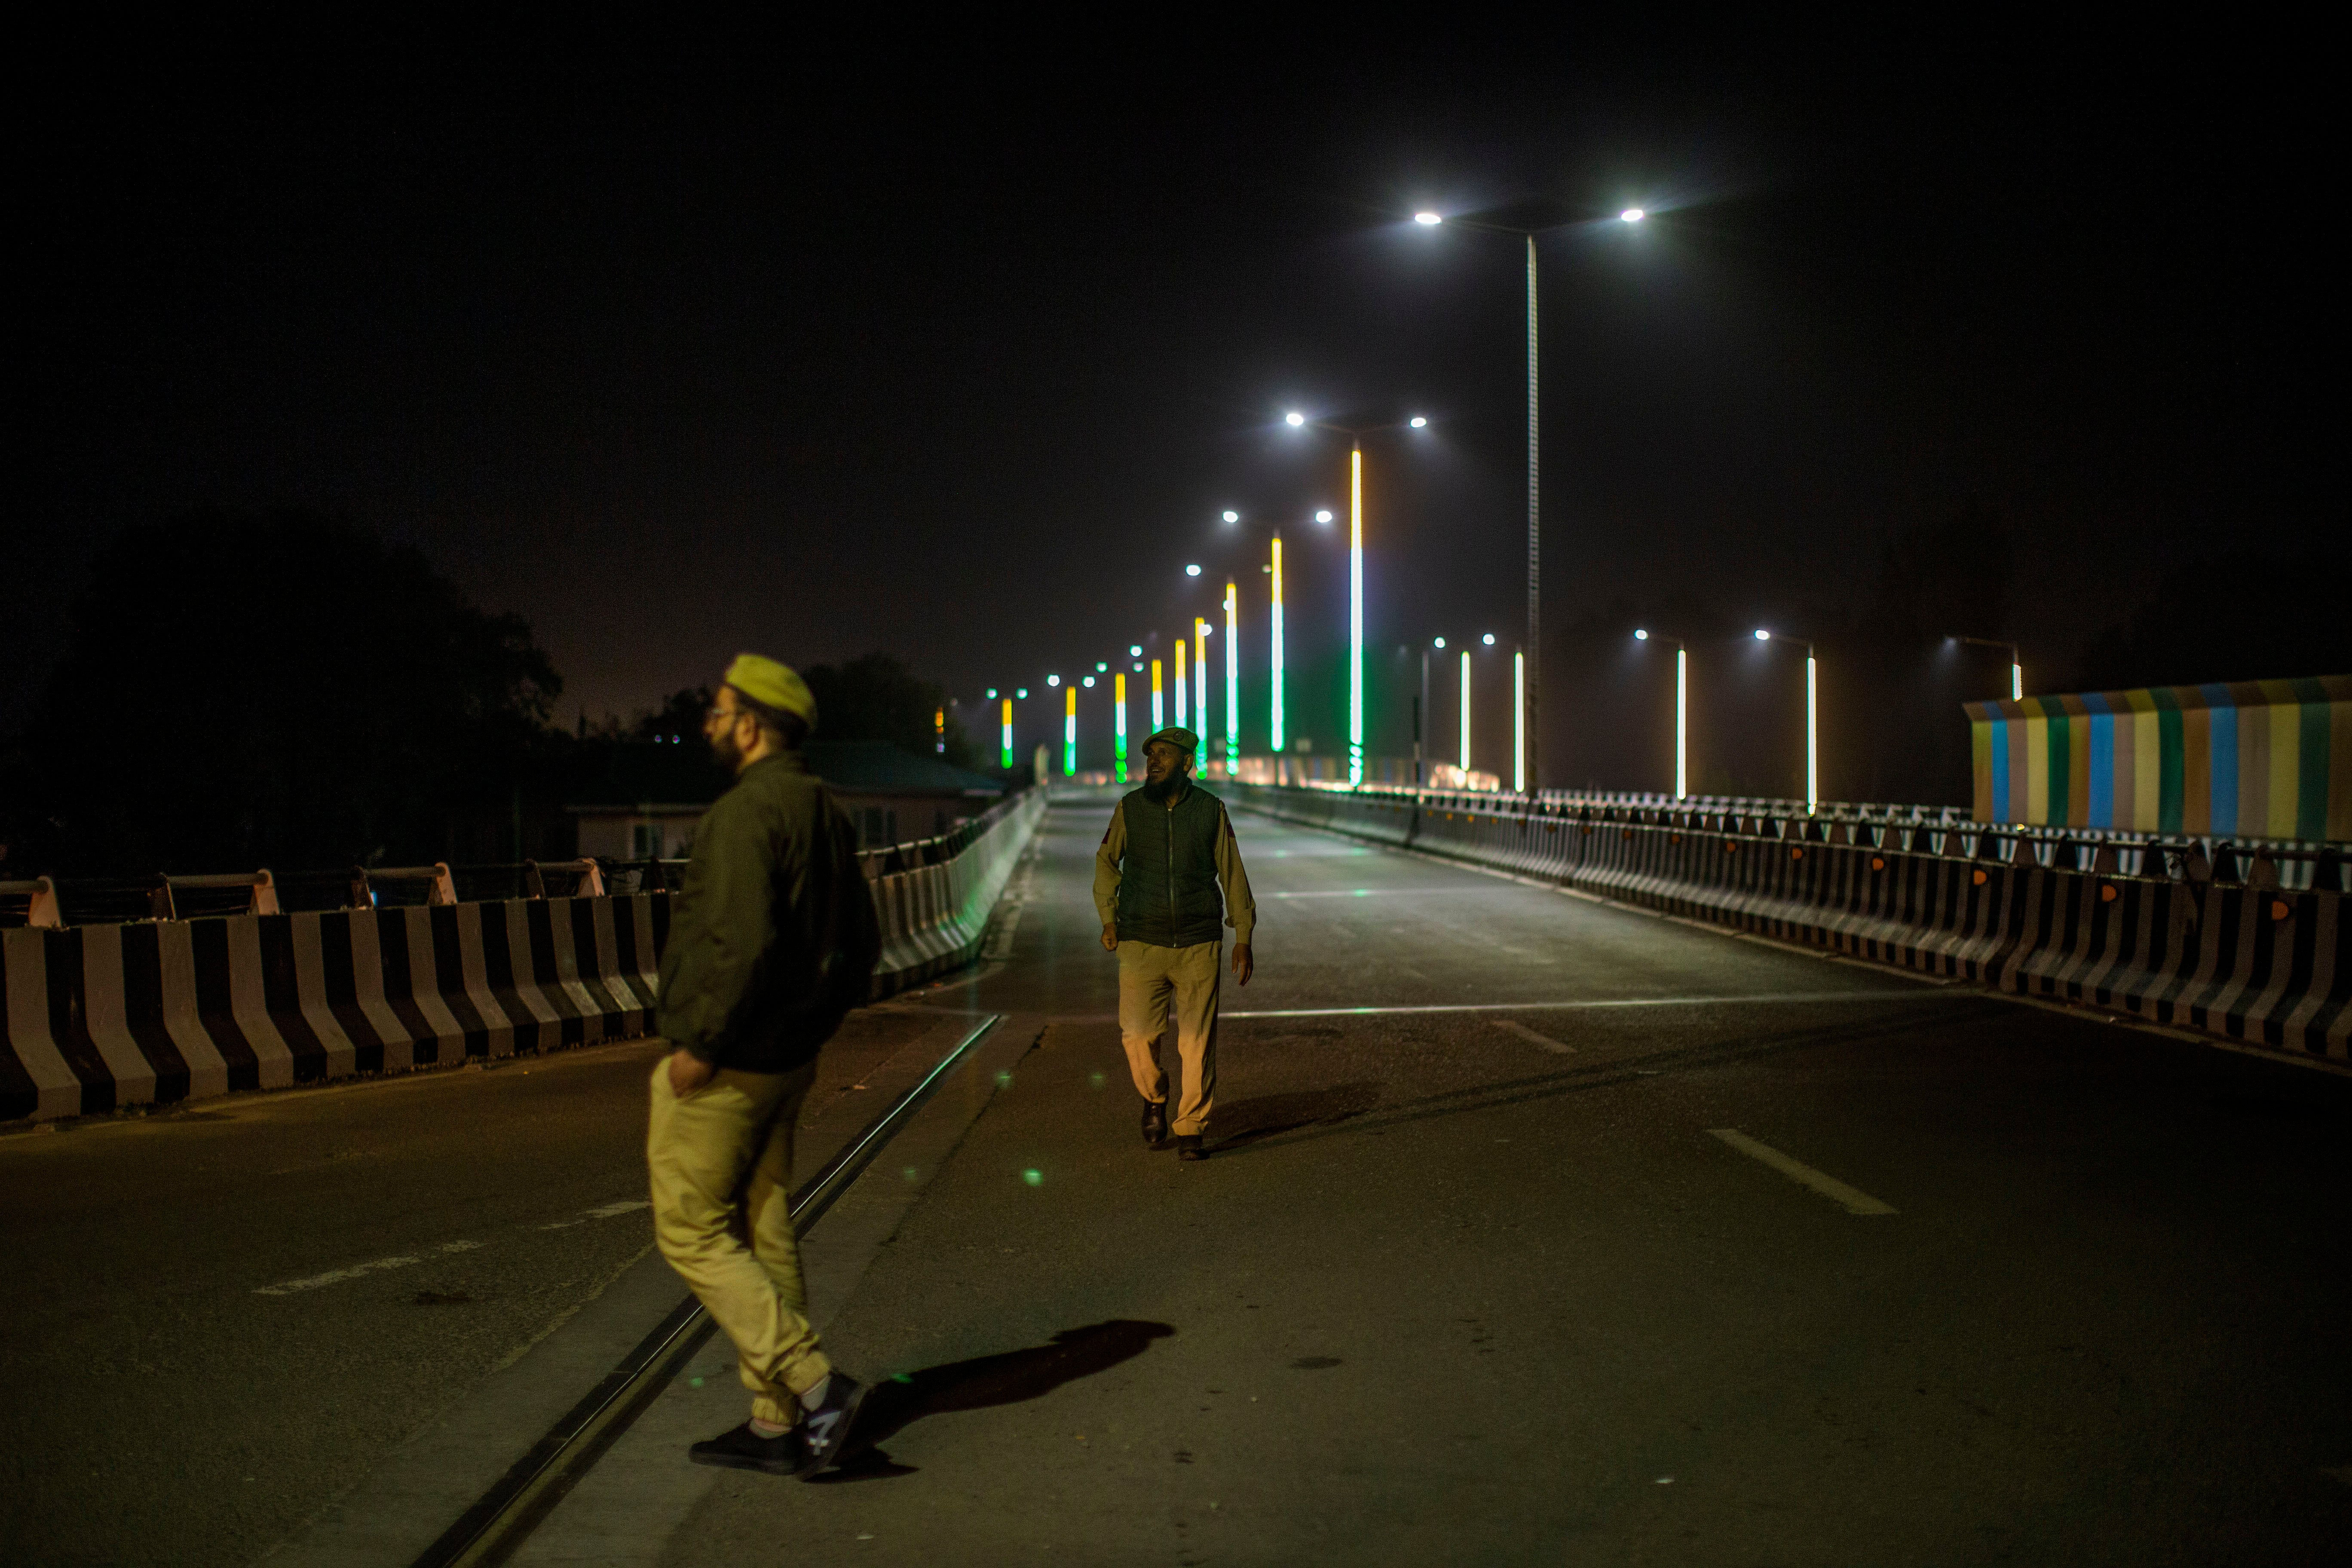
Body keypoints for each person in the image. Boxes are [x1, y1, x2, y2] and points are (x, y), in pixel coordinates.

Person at [648, 652, 882, 1479]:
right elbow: (864, 944)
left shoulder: (746, 813)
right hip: (789, 1055)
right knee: (763, 1222)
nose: (710, 723)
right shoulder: (822, 808)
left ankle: (817, 1389)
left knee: (689, 1227)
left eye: (717, 711)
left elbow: (736, 941)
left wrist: (700, 1043)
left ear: (750, 723)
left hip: (730, 1058)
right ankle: (775, 1418)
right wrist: (811, 1024)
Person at [1093, 726, 1256, 1161]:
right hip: (1140, 941)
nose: (1154, 762)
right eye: (1150, 755)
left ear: (1187, 764)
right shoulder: (1130, 809)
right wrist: (1108, 918)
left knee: (1197, 1043)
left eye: (1165, 755)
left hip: (1199, 943)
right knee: (1138, 1037)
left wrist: (1244, 935)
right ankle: (1155, 1096)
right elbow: (1107, 864)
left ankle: (1192, 1128)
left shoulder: (1210, 811)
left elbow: (1232, 871)